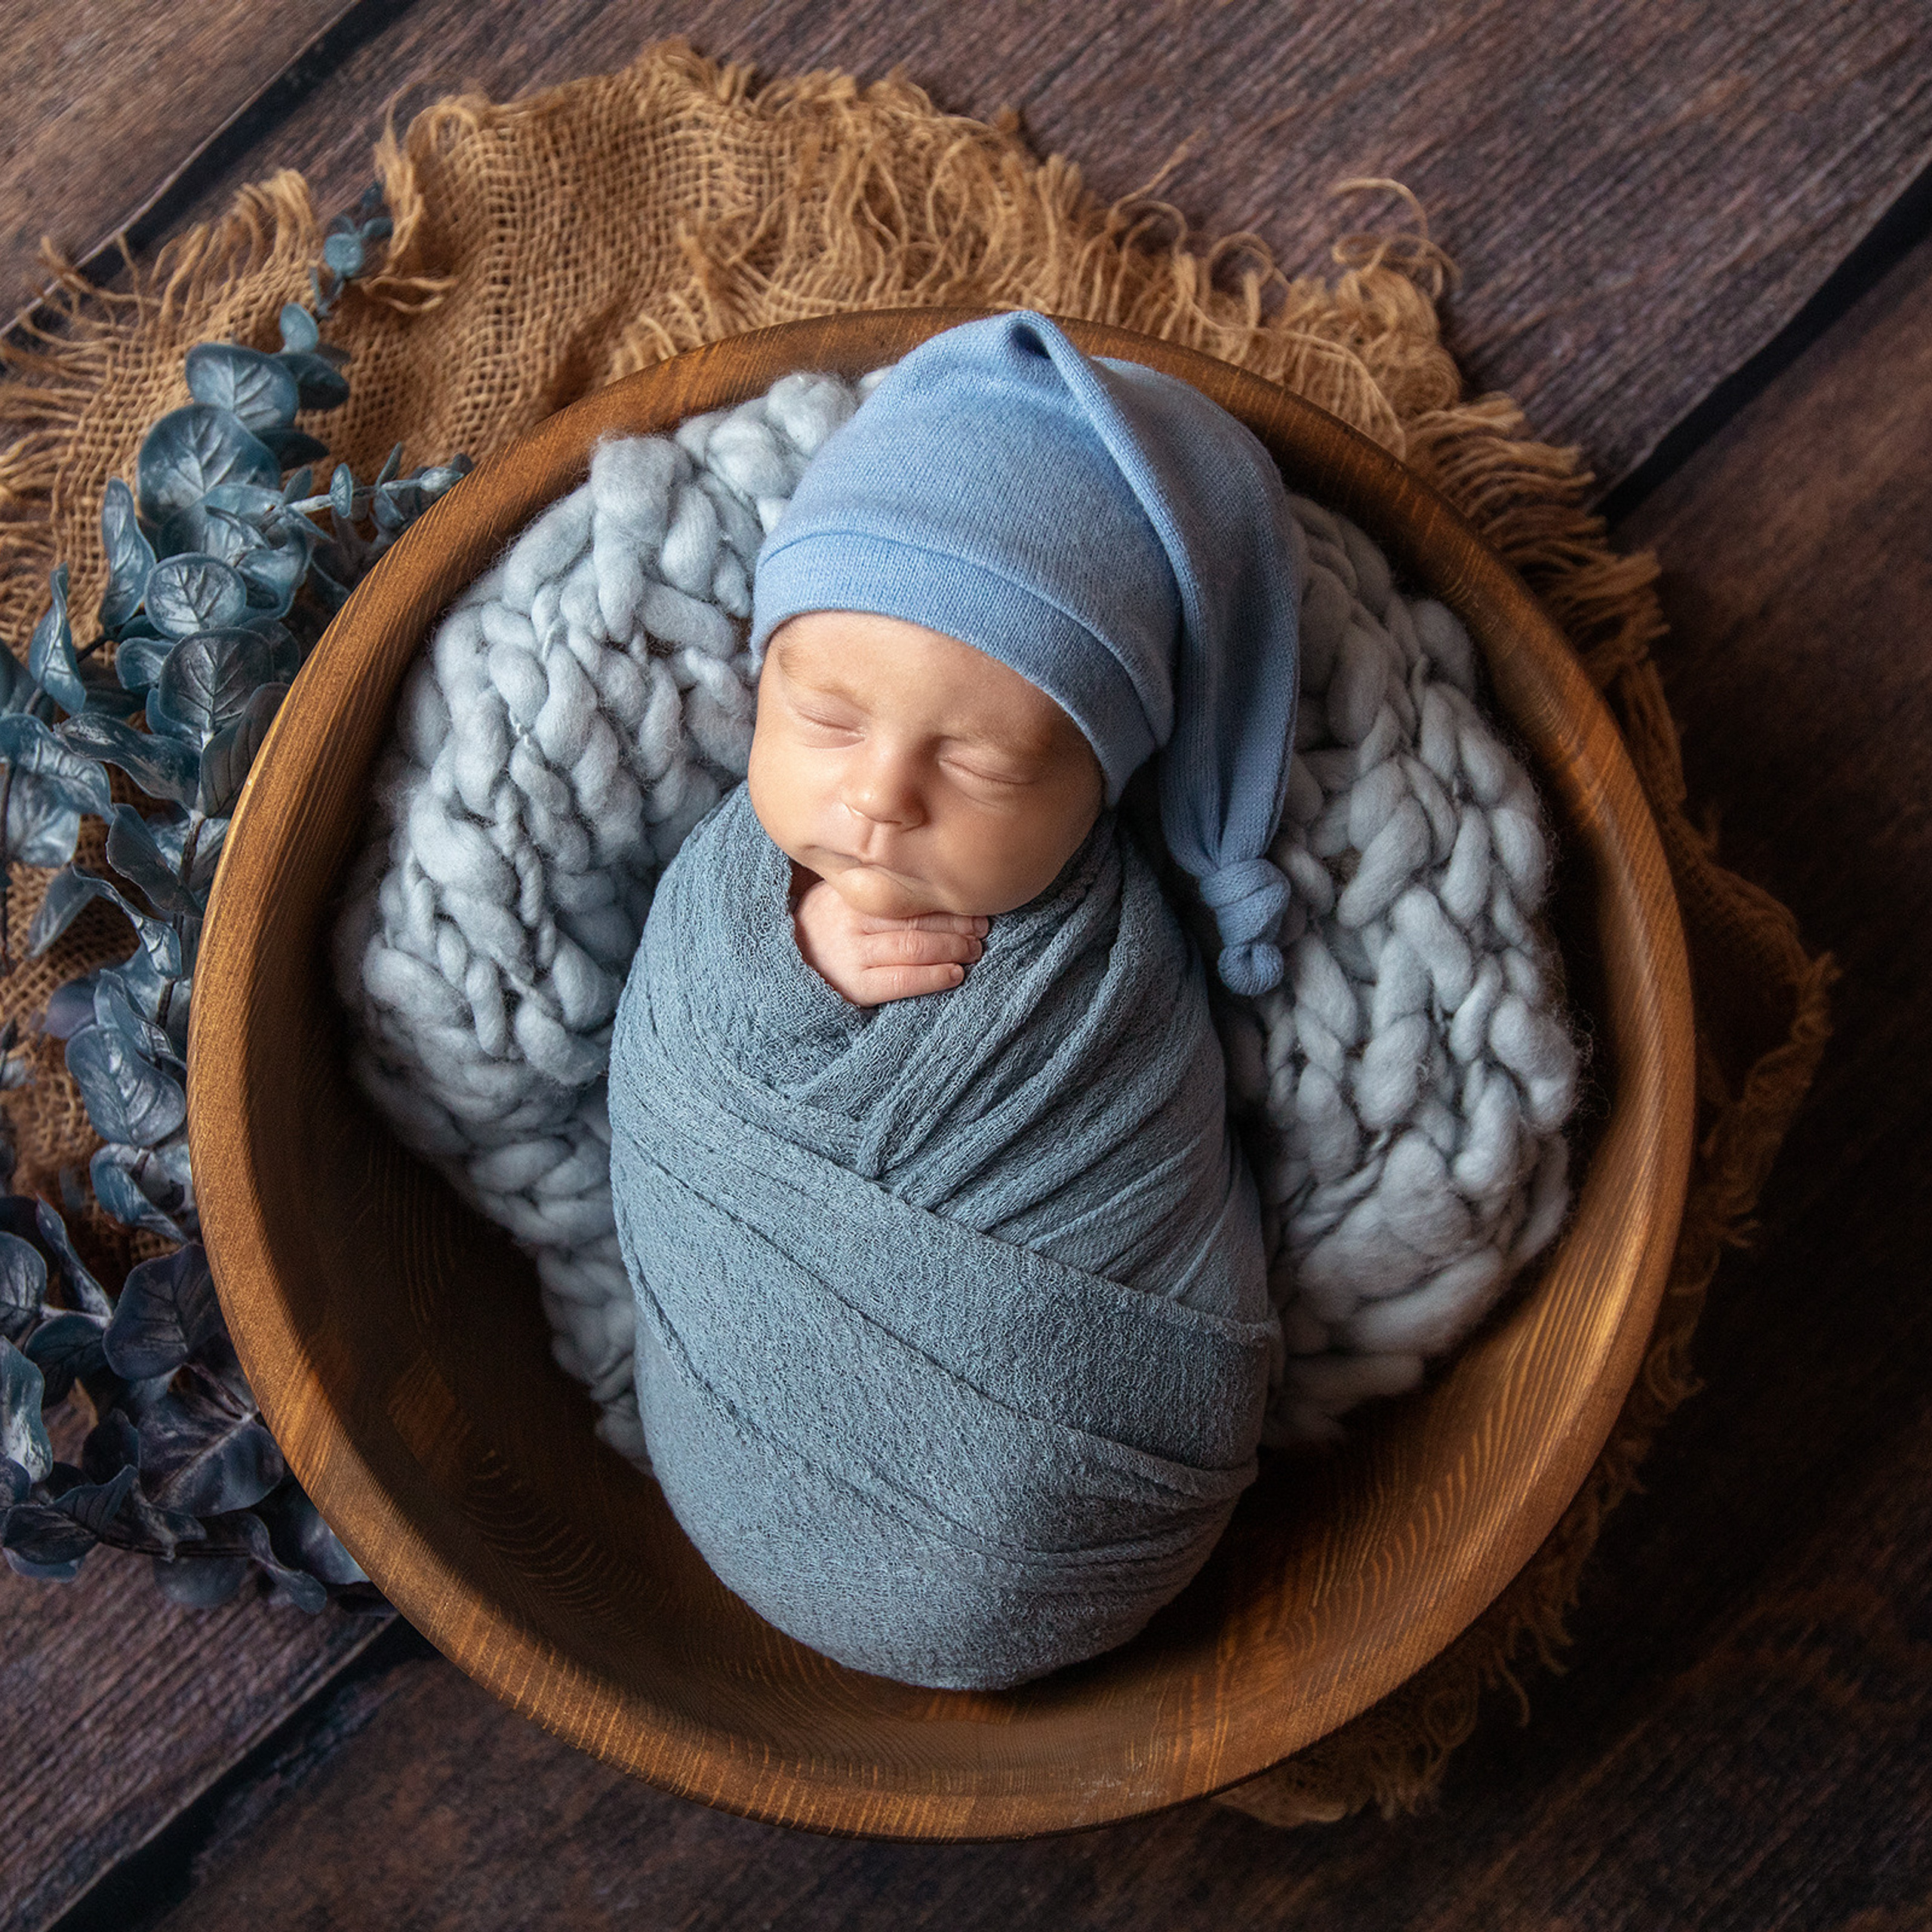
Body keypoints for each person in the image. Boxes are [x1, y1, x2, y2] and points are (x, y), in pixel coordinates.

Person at [605, 312, 1303, 1689]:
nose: (877, 799)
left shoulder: (1106, 967)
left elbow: (1161, 1141)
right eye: (824, 719)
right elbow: (675, 1048)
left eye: (980, 770)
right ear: (763, 682)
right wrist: (783, 960)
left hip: (1087, 1483)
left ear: (1101, 788)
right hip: (748, 1450)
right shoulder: (734, 891)